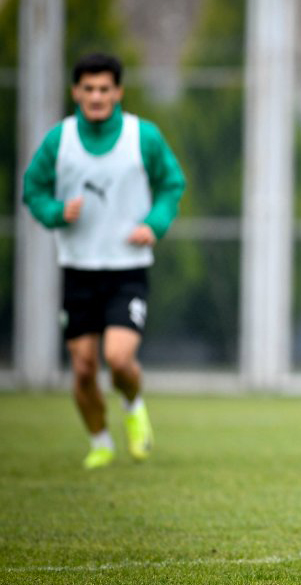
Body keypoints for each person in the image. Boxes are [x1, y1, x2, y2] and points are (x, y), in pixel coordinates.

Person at [23, 53, 186, 470]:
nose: (96, 96)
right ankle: (100, 442)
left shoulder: (142, 137)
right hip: (78, 269)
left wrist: (155, 223)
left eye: (104, 89)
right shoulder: (60, 141)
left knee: (118, 359)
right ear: (76, 92)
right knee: (82, 368)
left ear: (118, 92)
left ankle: (133, 405)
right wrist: (56, 212)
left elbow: (171, 184)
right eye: (89, 89)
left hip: (127, 268)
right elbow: (33, 190)